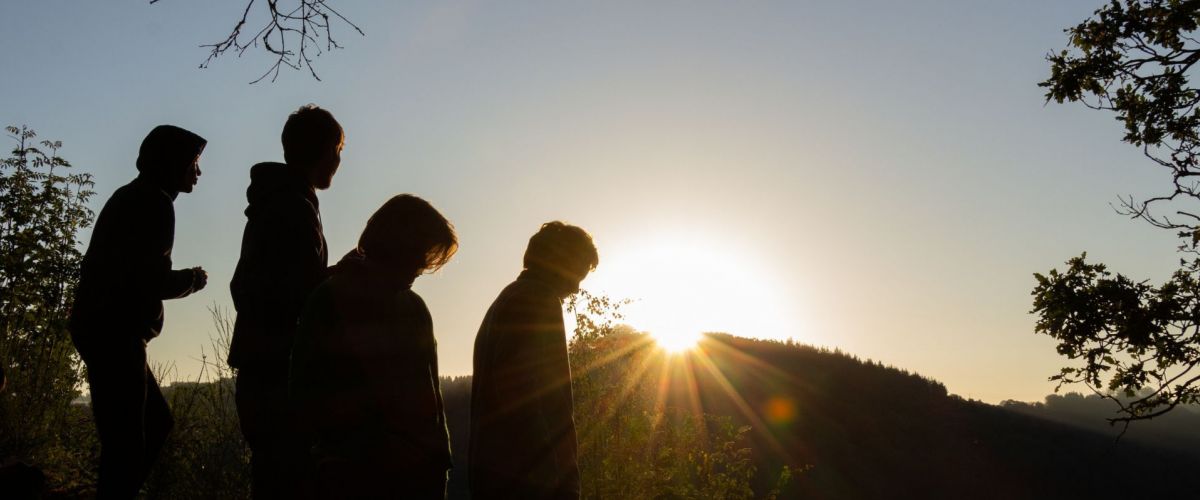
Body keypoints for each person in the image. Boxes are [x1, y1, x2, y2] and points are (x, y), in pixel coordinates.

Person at [69, 125, 209, 499]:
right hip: (115, 333)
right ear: (174, 163)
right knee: (129, 441)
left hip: (104, 329)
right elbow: (150, 280)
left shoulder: (135, 197)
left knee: (148, 427)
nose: (198, 172)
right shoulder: (155, 204)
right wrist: (193, 279)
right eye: (194, 162)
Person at [290, 194, 458, 499]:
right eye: (421, 253)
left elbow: (430, 400)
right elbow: (305, 397)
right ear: (400, 245)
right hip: (354, 476)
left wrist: (437, 462)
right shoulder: (331, 301)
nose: (422, 266)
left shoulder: (415, 308)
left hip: (412, 476)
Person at [228, 104, 343, 498]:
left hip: (261, 367)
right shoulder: (293, 205)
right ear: (328, 150)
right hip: (279, 373)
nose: (339, 160)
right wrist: (338, 278)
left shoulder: (277, 200)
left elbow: (266, 284)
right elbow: (293, 292)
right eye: (338, 150)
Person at [469, 221, 599, 499]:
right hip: (527, 481)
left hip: (499, 474)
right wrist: (556, 478)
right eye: (577, 272)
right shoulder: (536, 300)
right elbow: (523, 397)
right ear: (558, 261)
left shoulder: (509, 298)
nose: (576, 287)